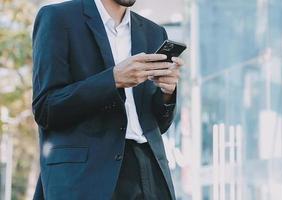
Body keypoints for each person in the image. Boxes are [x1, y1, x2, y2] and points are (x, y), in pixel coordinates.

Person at [32, 0, 184, 199]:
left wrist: (167, 92)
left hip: (149, 170)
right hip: (87, 175)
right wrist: (112, 80)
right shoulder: (58, 18)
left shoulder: (154, 32)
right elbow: (46, 108)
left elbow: (159, 125)